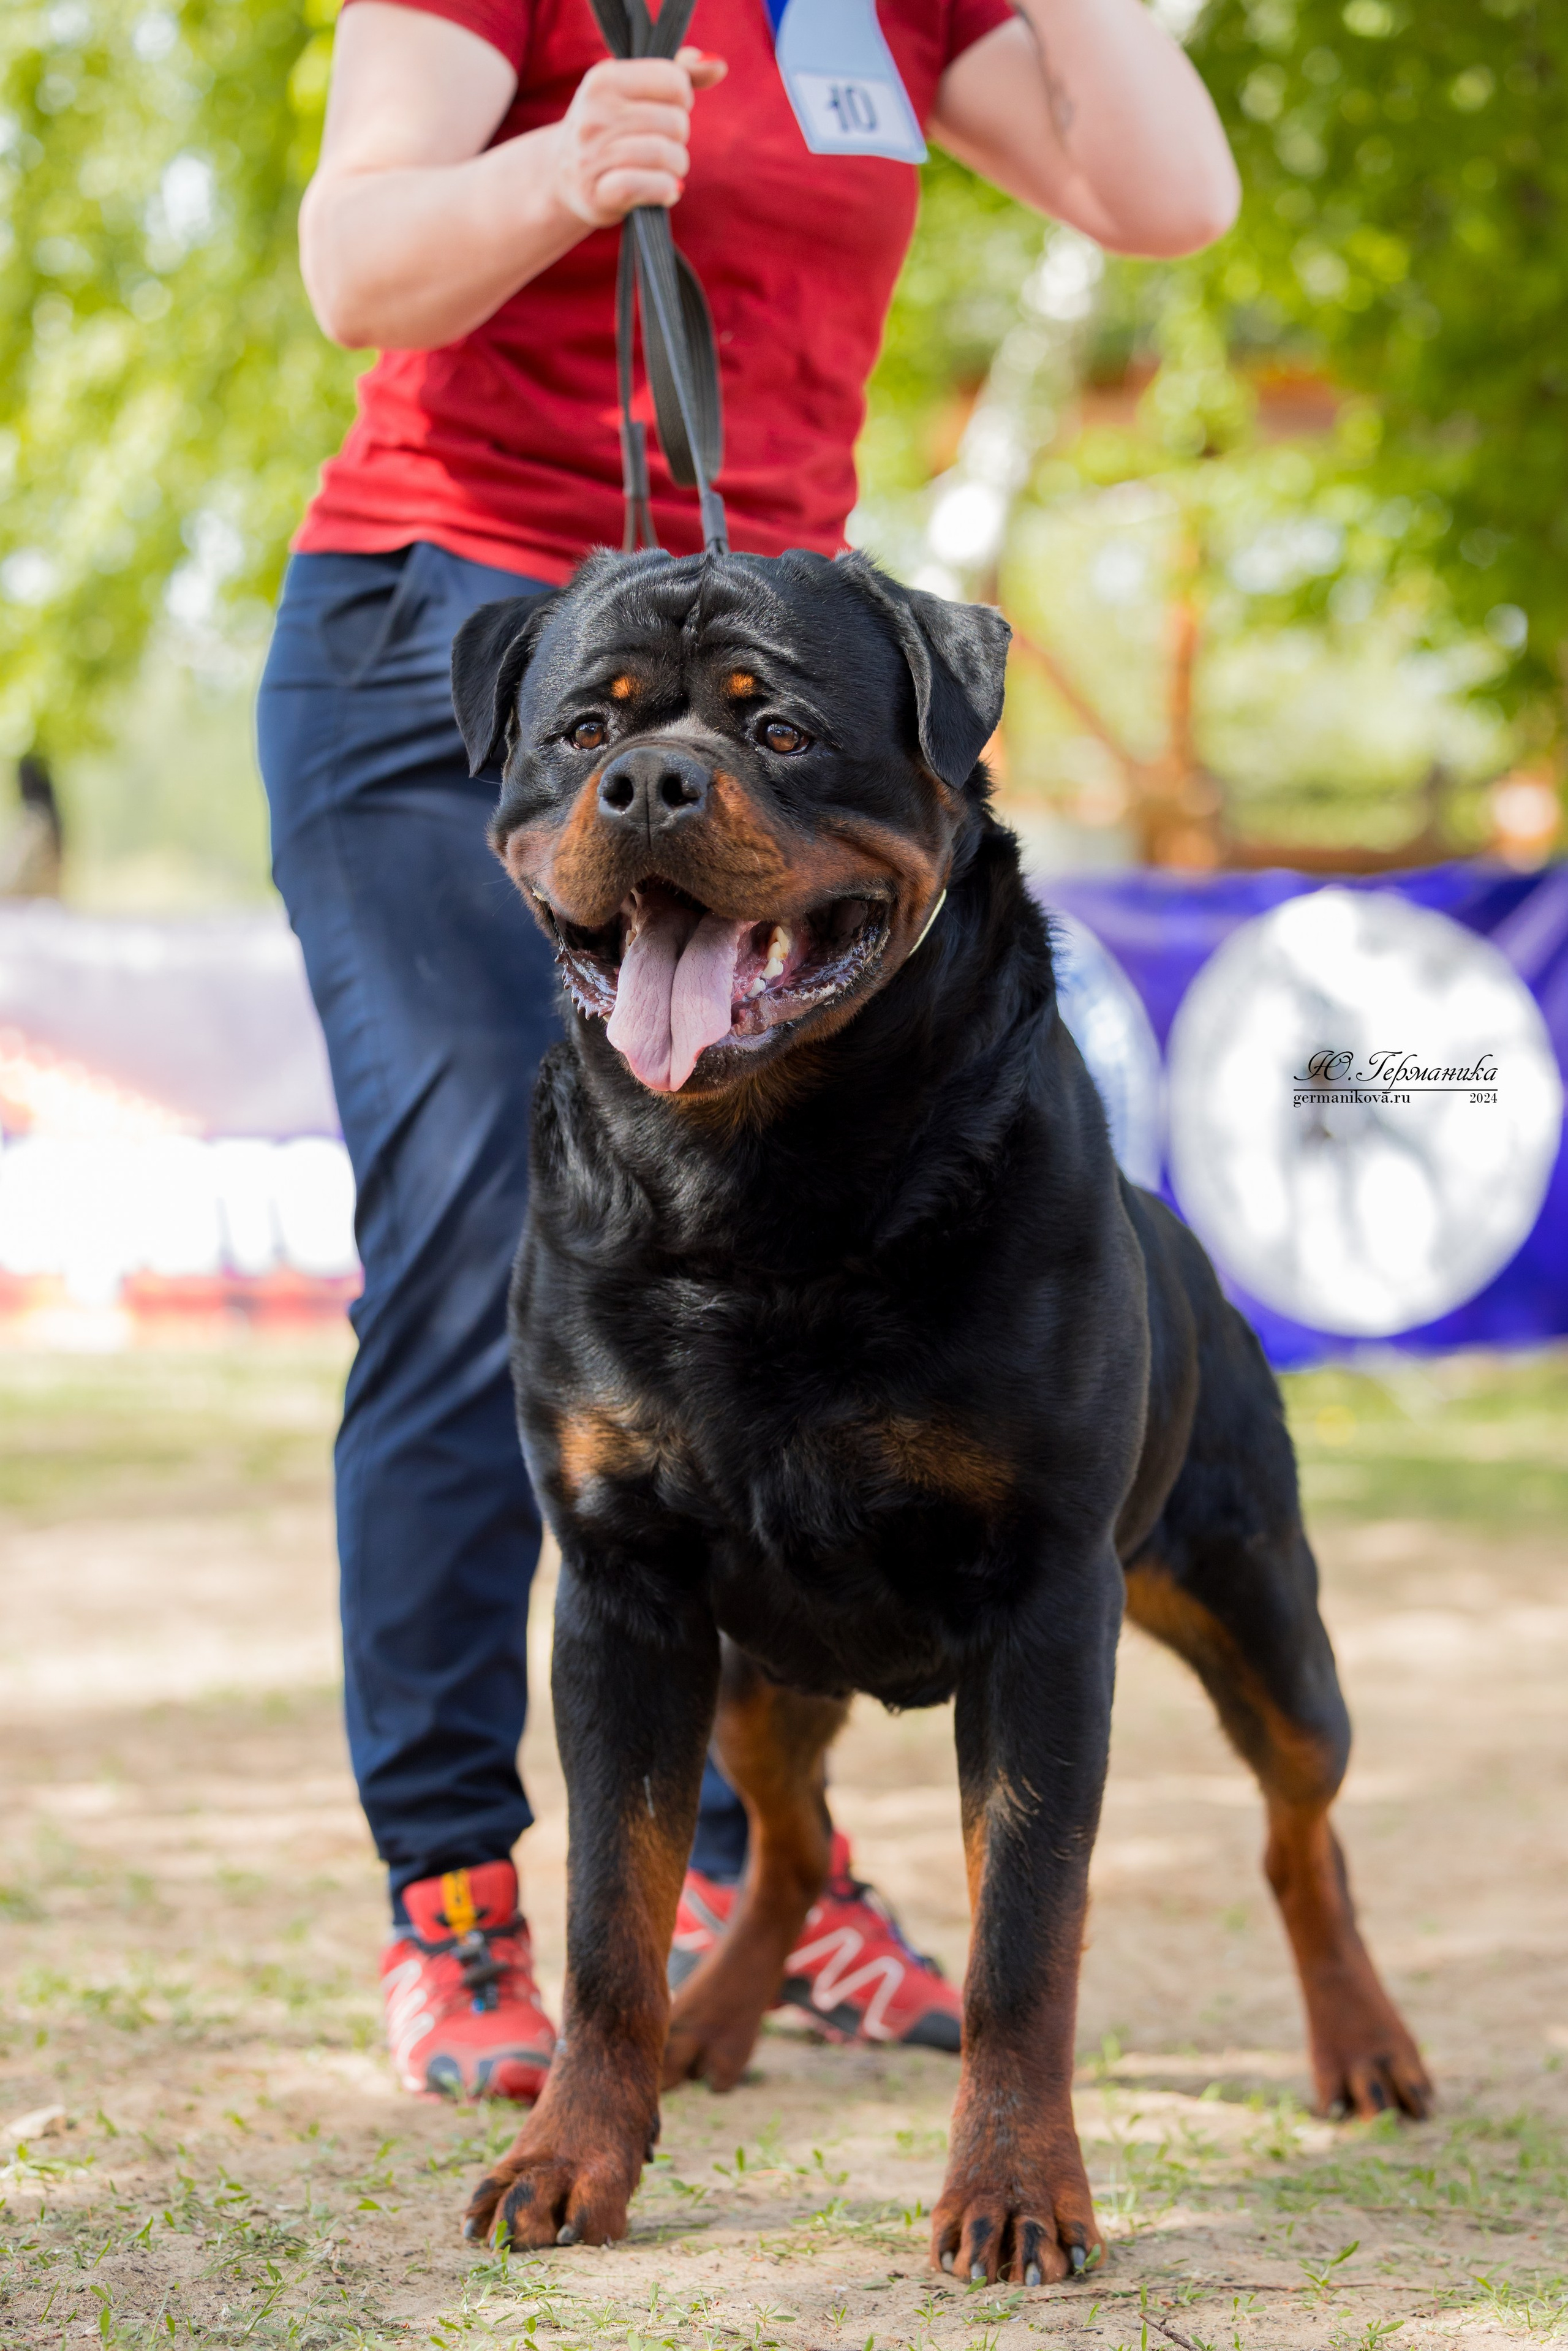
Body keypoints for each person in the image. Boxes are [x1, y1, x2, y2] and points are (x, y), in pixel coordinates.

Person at [258, 0, 1238, 2104]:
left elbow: (1170, 198)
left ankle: (734, 1874)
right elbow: (357, 270)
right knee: (486, 1256)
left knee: (809, 1277)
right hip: (475, 637)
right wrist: (556, 167)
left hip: (772, 688)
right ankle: (454, 1900)